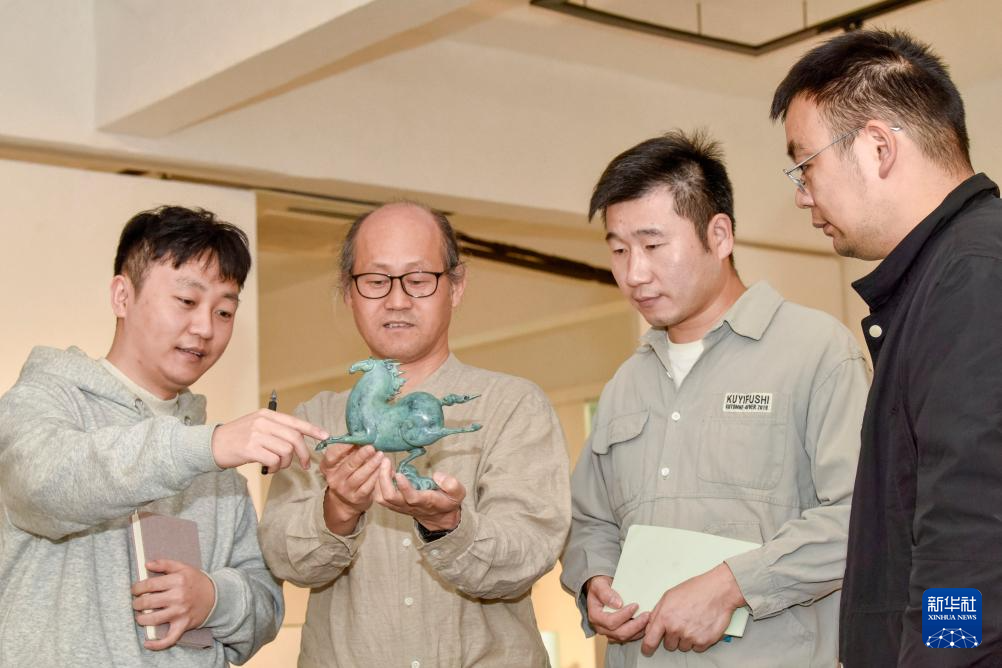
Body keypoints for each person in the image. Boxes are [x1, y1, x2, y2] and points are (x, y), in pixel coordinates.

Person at [559, 130, 869, 667]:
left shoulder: (816, 353)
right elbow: (590, 520)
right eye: (619, 250)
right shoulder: (625, 385)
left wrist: (732, 585)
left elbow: (857, 516)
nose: (633, 273)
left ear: (719, 235)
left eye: (653, 246)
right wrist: (594, 578)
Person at [0, 205, 329, 667]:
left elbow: (266, 607)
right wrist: (207, 447)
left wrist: (213, 598)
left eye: (224, 311)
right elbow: (44, 488)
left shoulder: (216, 463)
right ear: (122, 296)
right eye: (187, 301)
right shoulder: (46, 400)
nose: (205, 328)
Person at [771, 28, 1002, 666]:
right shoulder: (947, 272)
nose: (802, 194)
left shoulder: (970, 274)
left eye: (805, 164)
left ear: (878, 146)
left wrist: (942, 656)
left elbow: (972, 528)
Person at [258, 201, 570, 667]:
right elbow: (283, 557)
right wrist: (337, 509)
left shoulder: (513, 406)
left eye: (419, 279)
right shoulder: (314, 420)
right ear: (349, 292)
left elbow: (530, 552)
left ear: (456, 286)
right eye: (376, 280)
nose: (397, 300)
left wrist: (449, 525)